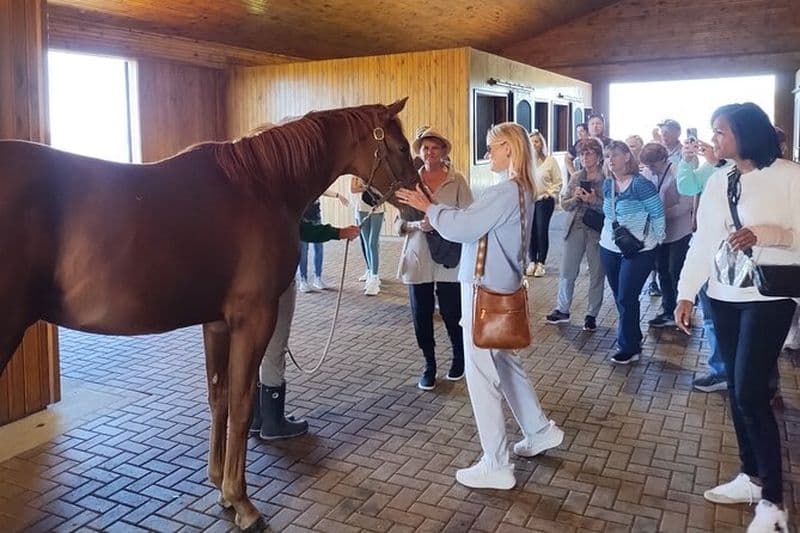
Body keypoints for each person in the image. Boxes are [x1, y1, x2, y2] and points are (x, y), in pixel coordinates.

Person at [396, 122, 564, 490]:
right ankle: (538, 429)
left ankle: (497, 462)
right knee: (504, 363)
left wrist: (430, 207)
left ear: (508, 147)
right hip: (500, 286)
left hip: (483, 289)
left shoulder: (505, 191)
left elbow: (463, 228)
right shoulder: (520, 188)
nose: (488, 153)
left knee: (481, 375)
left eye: (491, 146)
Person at [675, 102, 800, 533]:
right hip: (722, 296)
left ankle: (773, 502)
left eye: (720, 132)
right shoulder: (718, 180)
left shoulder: (789, 176)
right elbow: (702, 239)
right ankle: (750, 477)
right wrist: (686, 293)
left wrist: (767, 235)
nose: (713, 140)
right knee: (737, 389)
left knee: (750, 392)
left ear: (746, 133)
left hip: (769, 297)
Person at [251, 220, 360, 439]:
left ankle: (255, 416)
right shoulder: (270, 192)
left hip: (244, 277)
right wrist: (338, 233)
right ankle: (273, 422)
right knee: (274, 348)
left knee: (249, 348)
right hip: (274, 276)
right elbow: (296, 224)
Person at [396, 127, 473, 390]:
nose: (430, 152)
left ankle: (459, 357)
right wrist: (419, 225)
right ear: (419, 152)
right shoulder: (410, 183)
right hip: (418, 257)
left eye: (435, 148)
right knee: (421, 314)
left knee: (453, 312)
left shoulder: (457, 180)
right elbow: (398, 224)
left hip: (449, 256)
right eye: (425, 148)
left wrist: (441, 223)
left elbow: (468, 217)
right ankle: (429, 364)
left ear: (443, 152)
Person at [599, 141, 665, 364]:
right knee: (621, 296)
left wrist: (657, 240)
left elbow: (657, 214)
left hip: (639, 249)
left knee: (627, 296)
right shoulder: (608, 184)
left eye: (615, 155)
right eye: (607, 156)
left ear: (627, 156)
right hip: (609, 245)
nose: (610, 160)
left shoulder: (641, 185)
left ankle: (628, 346)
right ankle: (633, 335)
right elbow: (608, 214)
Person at [545, 137, 606, 331]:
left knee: (597, 273)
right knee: (567, 271)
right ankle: (562, 309)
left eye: (589, 153)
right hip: (575, 227)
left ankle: (591, 315)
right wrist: (576, 198)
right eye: (582, 153)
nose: (585, 157)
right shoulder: (576, 177)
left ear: (598, 156)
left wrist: (594, 200)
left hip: (597, 230)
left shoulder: (607, 179)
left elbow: (612, 208)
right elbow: (563, 204)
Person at [639, 143, 693, 328]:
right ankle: (668, 309)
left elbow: (686, 205)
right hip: (659, 233)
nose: (650, 169)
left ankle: (684, 310)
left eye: (652, 164)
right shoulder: (647, 173)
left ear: (663, 159)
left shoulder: (678, 173)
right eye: (647, 165)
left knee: (675, 271)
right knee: (662, 270)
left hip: (679, 231)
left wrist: (661, 213)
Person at [525, 130, 562, 277]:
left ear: (542, 143)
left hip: (544, 201)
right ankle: (532, 260)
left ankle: (541, 262)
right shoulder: (526, 161)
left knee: (541, 230)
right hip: (529, 200)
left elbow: (558, 181)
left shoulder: (550, 161)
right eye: (531, 141)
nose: (534, 144)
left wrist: (550, 193)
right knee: (530, 231)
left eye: (537, 141)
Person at [297, 190, 349, 292]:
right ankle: (303, 279)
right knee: (303, 250)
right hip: (303, 217)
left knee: (319, 248)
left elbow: (323, 190)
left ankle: (318, 277)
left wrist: (337, 195)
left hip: (315, 215)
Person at [350, 175, 384, 296]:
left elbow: (381, 188)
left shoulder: (380, 170)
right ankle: (370, 272)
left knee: (372, 243)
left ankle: (375, 277)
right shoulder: (357, 173)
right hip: (361, 208)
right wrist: (368, 187)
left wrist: (364, 186)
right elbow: (353, 189)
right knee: (366, 242)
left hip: (377, 207)